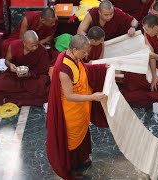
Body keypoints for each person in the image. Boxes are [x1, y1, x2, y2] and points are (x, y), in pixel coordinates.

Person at [46, 34, 108, 179]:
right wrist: (93, 97)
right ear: (74, 50)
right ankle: (71, 168)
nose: (86, 55)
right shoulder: (64, 70)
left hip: (81, 108)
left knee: (83, 134)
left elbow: (82, 71)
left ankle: (82, 160)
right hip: (71, 112)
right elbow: (69, 96)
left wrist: (100, 68)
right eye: (84, 52)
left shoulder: (74, 58)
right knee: (72, 140)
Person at [0, 30, 50, 95]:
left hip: (32, 77)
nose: (35, 48)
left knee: (42, 83)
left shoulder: (42, 50)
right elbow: (7, 61)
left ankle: (19, 90)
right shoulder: (14, 45)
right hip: (15, 74)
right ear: (24, 43)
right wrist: (10, 65)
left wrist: (29, 74)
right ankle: (27, 91)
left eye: (36, 45)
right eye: (32, 46)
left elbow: (43, 70)